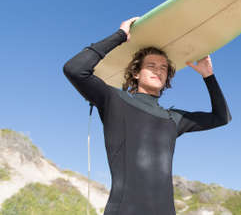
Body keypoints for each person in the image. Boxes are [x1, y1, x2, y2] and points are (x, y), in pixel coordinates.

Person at [63, 17, 232, 215]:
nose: (158, 71)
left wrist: (208, 76)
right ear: (136, 73)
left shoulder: (173, 119)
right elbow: (74, 69)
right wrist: (120, 36)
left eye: (163, 68)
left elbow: (221, 117)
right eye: (151, 66)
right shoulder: (115, 101)